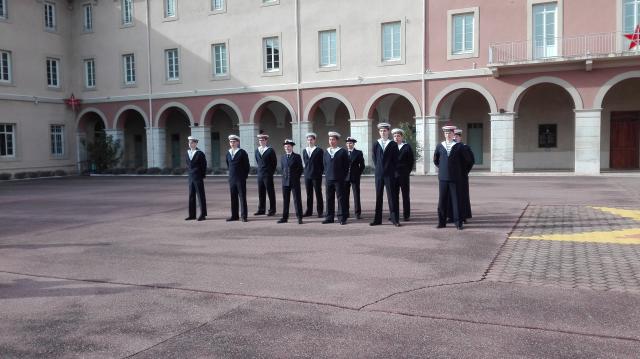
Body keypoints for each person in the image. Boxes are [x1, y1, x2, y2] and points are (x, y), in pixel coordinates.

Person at [433, 125, 465, 230]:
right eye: (446, 133)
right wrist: (443, 168)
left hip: (455, 178)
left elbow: (465, 161)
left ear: (453, 134)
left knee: (456, 201)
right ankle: (441, 222)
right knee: (442, 200)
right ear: (444, 134)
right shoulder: (440, 146)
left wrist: (460, 172)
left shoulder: (459, 146)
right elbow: (436, 160)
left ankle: (458, 222)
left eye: (450, 133)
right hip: (443, 178)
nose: (448, 135)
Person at [371, 122, 400, 227]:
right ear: (379, 132)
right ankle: (377, 220)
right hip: (379, 174)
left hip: (389, 174)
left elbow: (396, 159)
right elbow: (374, 158)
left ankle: (394, 219)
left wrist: (391, 170)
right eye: (381, 131)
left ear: (388, 132)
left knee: (392, 197)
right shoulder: (376, 144)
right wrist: (379, 168)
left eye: (385, 130)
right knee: (378, 197)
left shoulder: (392, 144)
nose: (383, 132)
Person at [322, 131, 349, 225]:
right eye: (330, 139)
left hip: (339, 179)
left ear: (337, 140)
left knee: (341, 198)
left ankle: (342, 217)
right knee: (329, 198)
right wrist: (327, 174)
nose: (331, 141)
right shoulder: (326, 152)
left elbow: (346, 166)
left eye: (333, 139)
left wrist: (342, 176)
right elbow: (324, 165)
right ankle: (329, 217)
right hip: (329, 179)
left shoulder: (342, 151)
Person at [278, 139, 304, 224]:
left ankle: (299, 217)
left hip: (294, 182)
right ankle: (285, 218)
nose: (287, 148)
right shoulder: (283, 157)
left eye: (288, 146)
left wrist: (295, 178)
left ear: (292, 147)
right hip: (285, 182)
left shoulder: (297, 156)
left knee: (297, 200)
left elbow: (300, 169)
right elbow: (282, 169)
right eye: (285, 147)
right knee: (286, 200)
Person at [226, 134, 250, 222]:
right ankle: (234, 215)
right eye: (231, 142)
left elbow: (247, 166)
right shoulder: (228, 153)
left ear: (238, 142)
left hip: (240, 178)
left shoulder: (242, 152)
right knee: (233, 197)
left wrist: (244, 176)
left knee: (242, 197)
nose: (232, 143)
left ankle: (244, 216)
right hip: (232, 179)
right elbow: (228, 165)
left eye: (234, 142)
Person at [392, 128, 415, 222]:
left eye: (398, 136)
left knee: (405, 195)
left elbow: (411, 161)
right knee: (394, 196)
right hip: (393, 175)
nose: (396, 138)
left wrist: (406, 172)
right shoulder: (390, 147)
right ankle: (394, 214)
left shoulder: (406, 147)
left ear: (402, 137)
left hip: (404, 174)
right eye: (394, 136)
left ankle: (406, 215)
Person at [453, 128, 474, 223]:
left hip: (462, 176)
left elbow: (471, 161)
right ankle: (451, 215)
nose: (454, 138)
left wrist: (464, 172)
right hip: (451, 176)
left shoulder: (465, 147)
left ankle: (463, 216)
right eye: (453, 136)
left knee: (463, 196)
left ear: (460, 137)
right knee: (451, 196)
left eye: (456, 136)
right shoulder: (449, 147)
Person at [185, 136, 207, 221]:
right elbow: (187, 164)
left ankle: (203, 214)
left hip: (198, 176)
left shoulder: (200, 153)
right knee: (191, 196)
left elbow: (204, 165)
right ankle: (192, 215)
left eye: (191, 142)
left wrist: (202, 175)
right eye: (189, 142)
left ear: (195, 143)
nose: (190, 144)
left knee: (200, 196)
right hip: (190, 177)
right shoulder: (187, 152)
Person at [302, 132, 324, 218]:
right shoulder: (305, 150)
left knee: (318, 193)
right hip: (307, 175)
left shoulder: (319, 150)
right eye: (308, 139)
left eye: (311, 139)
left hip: (316, 175)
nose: (310, 141)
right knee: (309, 194)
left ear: (314, 140)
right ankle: (309, 211)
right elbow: (305, 162)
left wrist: (320, 172)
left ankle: (320, 211)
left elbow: (322, 163)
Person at [254, 134, 277, 216]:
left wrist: (270, 172)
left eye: (263, 140)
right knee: (261, 192)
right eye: (260, 140)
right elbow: (258, 161)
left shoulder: (270, 150)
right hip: (260, 174)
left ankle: (272, 210)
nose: (261, 141)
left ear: (266, 141)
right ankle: (261, 209)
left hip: (268, 174)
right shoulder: (257, 150)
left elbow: (274, 163)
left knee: (270, 192)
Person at [344, 136, 365, 220]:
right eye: (347, 143)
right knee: (345, 195)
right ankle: (346, 212)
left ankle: (357, 213)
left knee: (356, 195)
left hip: (355, 177)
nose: (349, 145)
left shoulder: (358, 153)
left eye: (350, 143)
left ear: (353, 144)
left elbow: (362, 165)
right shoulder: (343, 152)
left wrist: (358, 173)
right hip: (345, 177)